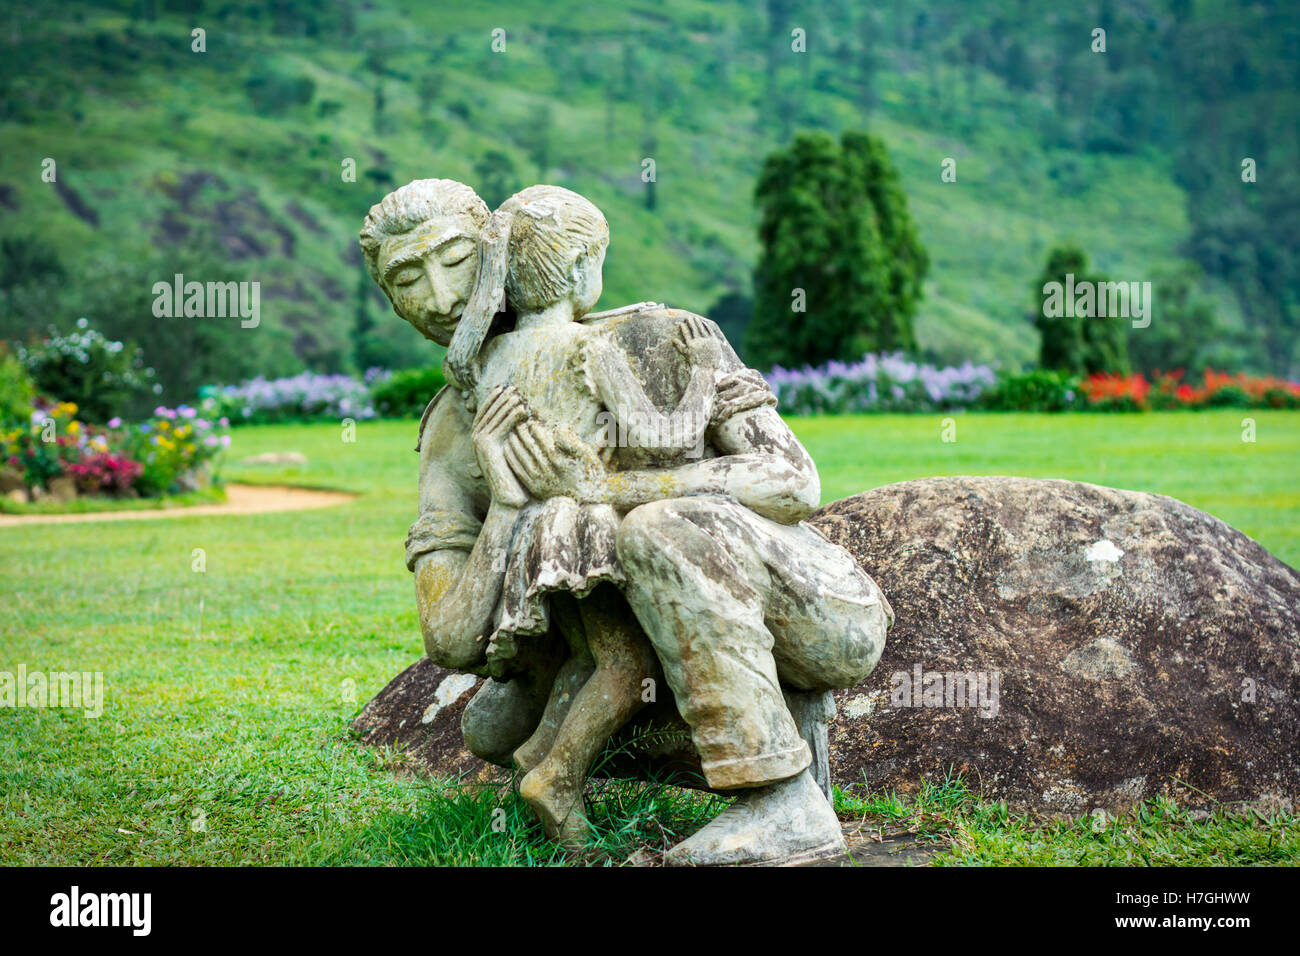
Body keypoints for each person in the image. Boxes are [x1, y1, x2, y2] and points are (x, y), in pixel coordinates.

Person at [359, 178, 893, 865]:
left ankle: (782, 797)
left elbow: (793, 481)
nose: (438, 298)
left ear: (498, 254)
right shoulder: (452, 427)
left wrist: (613, 486)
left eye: (456, 261)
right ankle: (653, 757)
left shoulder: (661, 337)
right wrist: (511, 505)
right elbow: (452, 640)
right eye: (407, 278)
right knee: (497, 723)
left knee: (654, 531)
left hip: (813, 612)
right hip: (639, 625)